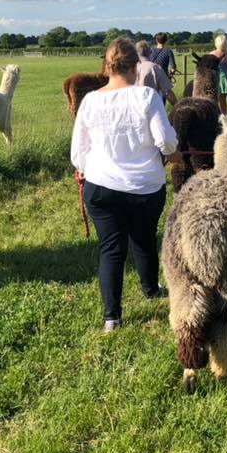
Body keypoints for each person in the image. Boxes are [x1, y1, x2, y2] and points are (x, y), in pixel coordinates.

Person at [71, 38, 180, 332]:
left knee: (111, 248)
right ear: (135, 66)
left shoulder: (91, 101)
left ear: (108, 66)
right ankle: (150, 289)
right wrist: (173, 153)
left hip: (102, 186)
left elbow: (78, 151)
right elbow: (166, 141)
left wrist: (86, 169)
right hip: (145, 187)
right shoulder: (146, 97)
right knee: (144, 237)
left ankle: (112, 317)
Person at [135, 39, 177, 106]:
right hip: (153, 108)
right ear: (149, 52)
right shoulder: (155, 68)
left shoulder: (130, 69)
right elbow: (168, 92)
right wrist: (177, 106)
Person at [210, 34, 227, 115]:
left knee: (214, 100)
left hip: (214, 79)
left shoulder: (211, 54)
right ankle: (225, 116)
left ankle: (216, 116)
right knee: (223, 100)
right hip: (225, 79)